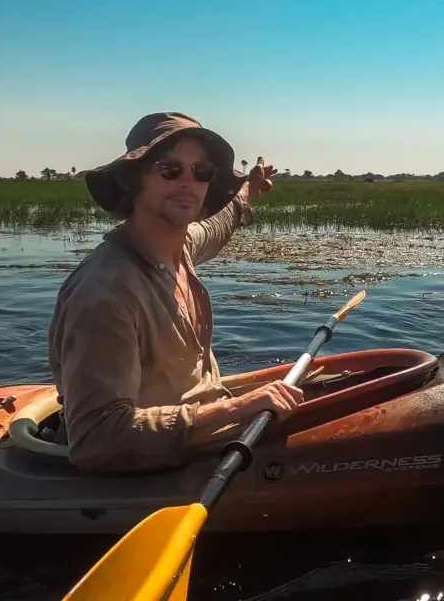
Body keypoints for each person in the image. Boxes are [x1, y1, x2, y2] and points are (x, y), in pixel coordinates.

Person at [48, 112, 304, 473]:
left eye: (202, 172)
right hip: (150, 467)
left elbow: (220, 223)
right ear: (135, 178)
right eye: (170, 169)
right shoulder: (104, 293)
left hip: (205, 435)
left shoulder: (180, 247)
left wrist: (249, 188)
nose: (188, 182)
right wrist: (236, 408)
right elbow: (96, 437)